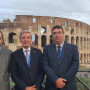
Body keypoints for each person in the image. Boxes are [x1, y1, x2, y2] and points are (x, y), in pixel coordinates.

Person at [42, 25, 79, 90]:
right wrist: (55, 80)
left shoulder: (73, 48)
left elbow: (75, 66)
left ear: (63, 34)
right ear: (52, 35)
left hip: (68, 86)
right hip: (51, 85)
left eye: (59, 32)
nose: (57, 35)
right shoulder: (47, 48)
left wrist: (62, 81)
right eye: (54, 33)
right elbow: (45, 66)